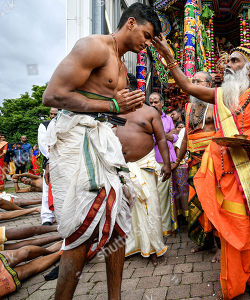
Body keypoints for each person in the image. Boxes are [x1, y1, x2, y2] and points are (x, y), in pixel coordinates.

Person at [153, 37, 250, 299]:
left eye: (235, 61)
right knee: (235, 227)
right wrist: (168, 57)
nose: (228, 65)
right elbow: (185, 85)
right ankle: (236, 281)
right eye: (227, 61)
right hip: (227, 171)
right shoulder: (221, 96)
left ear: (249, 69)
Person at [42, 3, 161, 298]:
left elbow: (107, 108)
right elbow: (53, 95)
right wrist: (113, 105)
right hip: (76, 138)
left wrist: (115, 108)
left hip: (102, 140)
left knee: (118, 220)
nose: (146, 45)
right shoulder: (93, 46)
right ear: (130, 23)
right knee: (84, 224)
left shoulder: (121, 65)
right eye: (146, 36)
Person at [115, 73, 171, 265]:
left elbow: (162, 138)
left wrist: (167, 164)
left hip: (144, 165)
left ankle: (154, 248)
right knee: (124, 210)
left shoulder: (149, 112)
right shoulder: (112, 111)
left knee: (150, 208)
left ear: (130, 88)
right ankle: (131, 246)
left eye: (119, 88)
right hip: (119, 168)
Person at [171, 71, 220, 259]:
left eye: (197, 81)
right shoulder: (189, 107)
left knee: (214, 202)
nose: (193, 84)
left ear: (208, 85)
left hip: (213, 162)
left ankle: (220, 245)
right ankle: (203, 241)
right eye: (192, 81)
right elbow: (186, 138)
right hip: (194, 161)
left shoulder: (217, 105)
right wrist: (176, 162)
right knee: (196, 202)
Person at [148, 92, 179, 236]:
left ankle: (166, 227)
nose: (153, 105)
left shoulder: (167, 119)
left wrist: (163, 135)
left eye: (156, 102)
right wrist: (166, 135)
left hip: (168, 160)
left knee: (167, 195)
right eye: (151, 102)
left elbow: (175, 137)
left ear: (162, 103)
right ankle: (157, 227)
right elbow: (151, 139)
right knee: (155, 195)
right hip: (154, 159)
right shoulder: (147, 118)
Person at [38, 107, 58, 225]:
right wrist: (51, 159)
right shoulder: (44, 125)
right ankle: (46, 218)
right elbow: (43, 146)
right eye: (51, 114)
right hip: (50, 162)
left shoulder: (68, 125)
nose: (53, 116)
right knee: (47, 190)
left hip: (66, 162)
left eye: (55, 114)